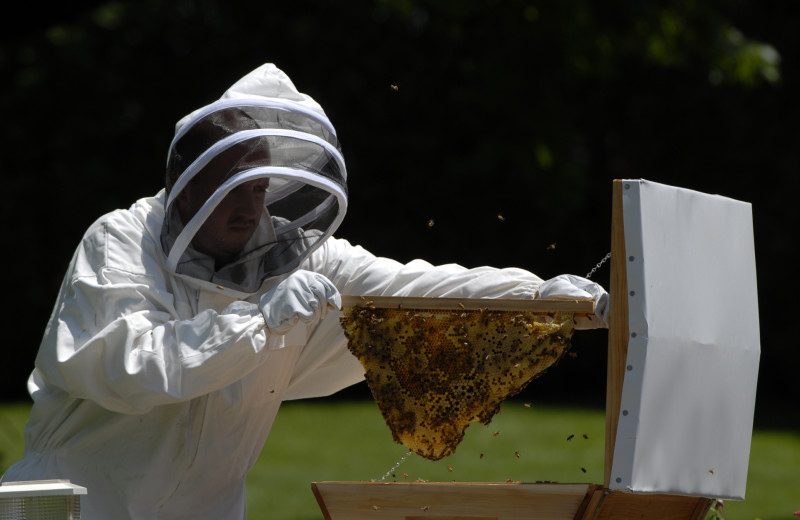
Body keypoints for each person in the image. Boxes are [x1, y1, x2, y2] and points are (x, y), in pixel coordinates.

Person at [2, 63, 609, 519]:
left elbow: (410, 286)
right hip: (72, 508)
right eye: (231, 187)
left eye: (260, 187)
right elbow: (131, 366)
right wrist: (258, 325)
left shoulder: (293, 253)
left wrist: (540, 302)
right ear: (184, 188)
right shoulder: (121, 243)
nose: (249, 207)